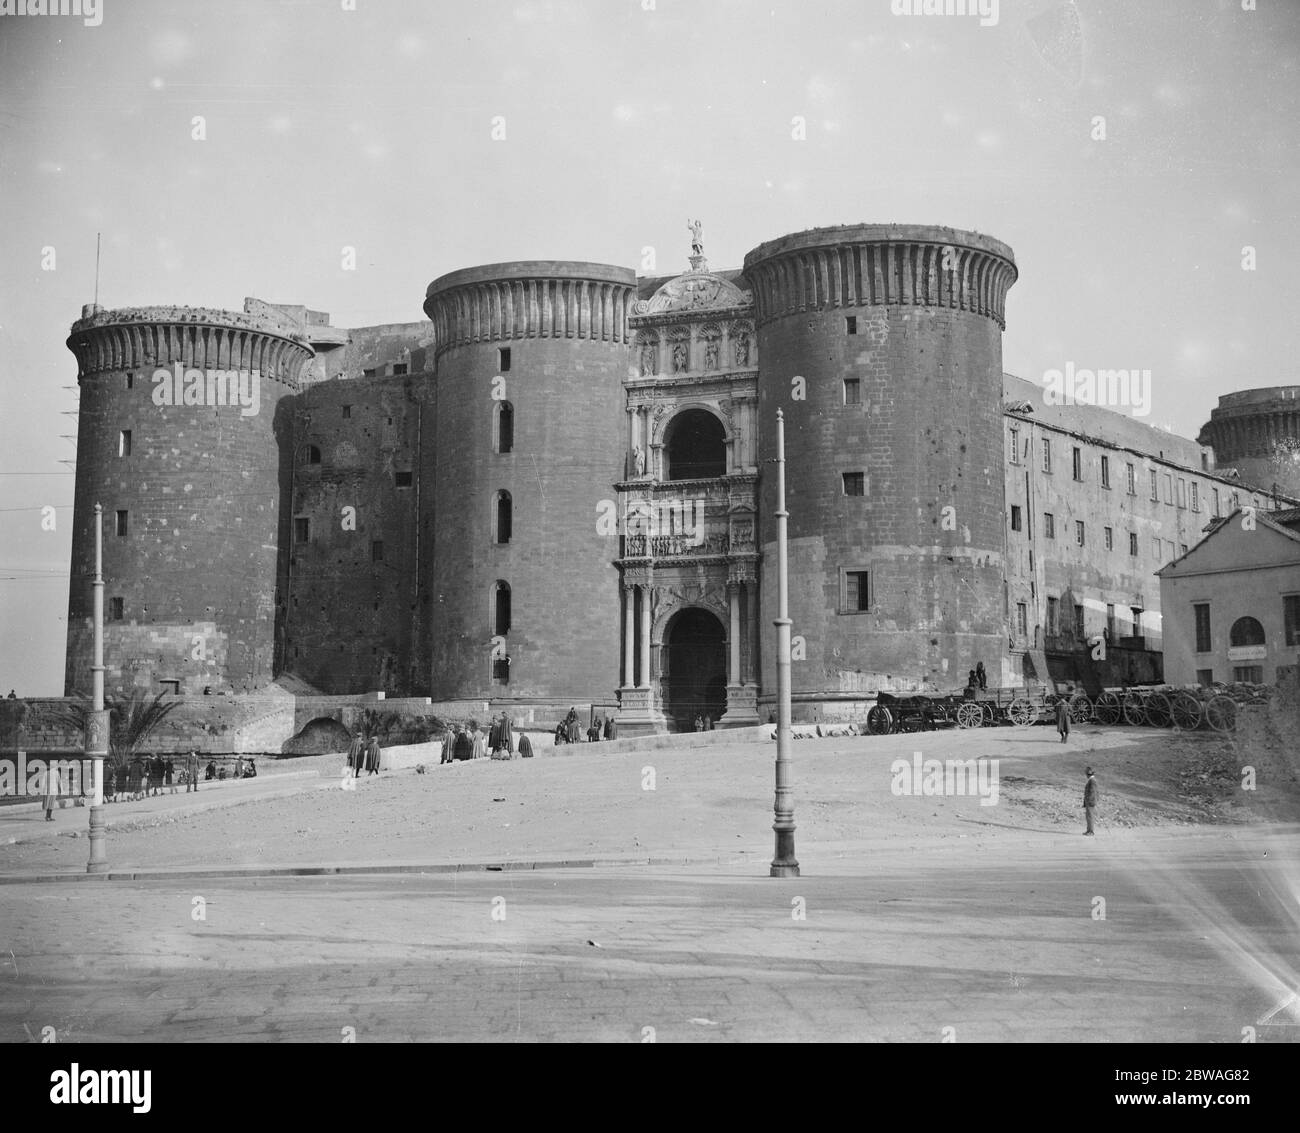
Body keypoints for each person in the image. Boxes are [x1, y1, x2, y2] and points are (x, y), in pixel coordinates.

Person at [1083, 766, 1098, 835]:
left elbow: (1093, 792)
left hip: (1090, 802)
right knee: (1088, 816)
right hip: (1089, 802)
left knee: (1090, 816)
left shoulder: (1092, 781)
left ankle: (1091, 831)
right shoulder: (1091, 780)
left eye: (1086, 774)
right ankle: (1088, 830)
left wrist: (1089, 801)